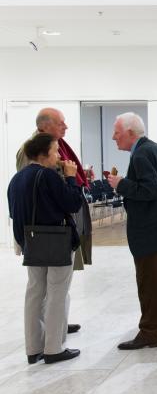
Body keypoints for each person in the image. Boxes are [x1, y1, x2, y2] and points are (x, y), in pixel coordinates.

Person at [108, 113, 157, 350]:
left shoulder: (141, 154)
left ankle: (150, 331)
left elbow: (150, 190)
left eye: (117, 133)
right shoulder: (154, 149)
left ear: (130, 133)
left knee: (150, 282)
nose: (113, 137)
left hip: (150, 229)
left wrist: (121, 184)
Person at [8, 133, 84, 364]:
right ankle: (52, 348)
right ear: (42, 155)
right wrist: (71, 179)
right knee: (56, 294)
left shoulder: (16, 179)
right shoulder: (48, 176)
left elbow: (15, 214)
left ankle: (33, 348)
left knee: (34, 293)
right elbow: (72, 203)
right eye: (55, 151)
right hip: (56, 241)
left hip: (32, 242)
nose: (59, 156)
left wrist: (23, 241)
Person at [17, 108, 91, 335]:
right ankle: (49, 333)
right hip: (45, 230)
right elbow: (34, 189)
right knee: (43, 287)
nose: (65, 127)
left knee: (58, 284)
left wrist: (77, 179)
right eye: (61, 123)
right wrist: (69, 180)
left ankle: (56, 323)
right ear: (45, 127)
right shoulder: (32, 152)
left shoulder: (56, 147)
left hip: (58, 227)